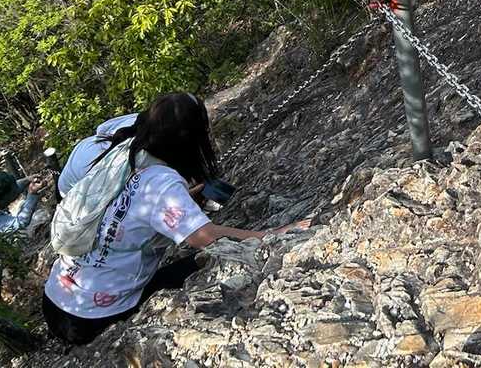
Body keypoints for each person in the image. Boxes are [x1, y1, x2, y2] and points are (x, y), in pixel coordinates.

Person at [43, 93, 305, 346]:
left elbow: (126, 206)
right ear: (190, 139)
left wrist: (180, 204)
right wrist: (273, 235)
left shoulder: (122, 152)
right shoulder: (162, 183)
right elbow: (205, 237)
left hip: (55, 300)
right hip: (90, 318)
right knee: (215, 261)